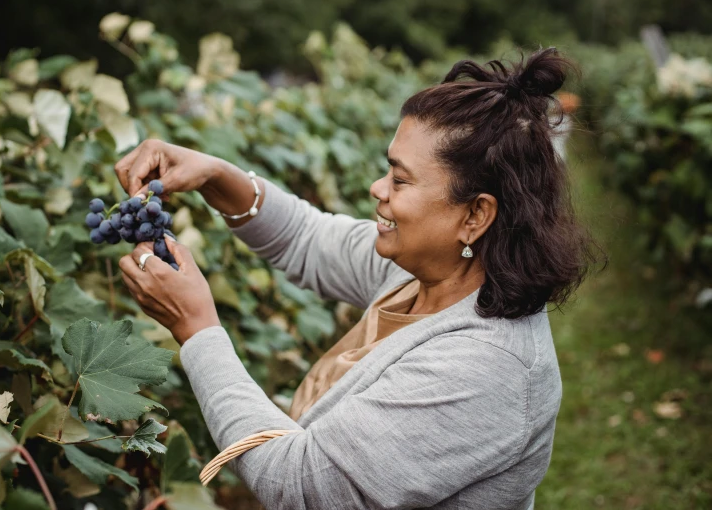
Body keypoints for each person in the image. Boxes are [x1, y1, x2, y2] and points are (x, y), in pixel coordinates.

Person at [115, 47, 605, 509]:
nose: (377, 188)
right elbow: (306, 238)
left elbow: (300, 486)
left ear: (476, 215)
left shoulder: (487, 369)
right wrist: (216, 174)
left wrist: (197, 331)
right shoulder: (429, 273)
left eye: (400, 179)